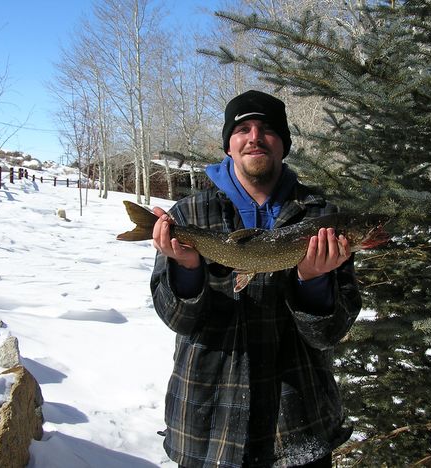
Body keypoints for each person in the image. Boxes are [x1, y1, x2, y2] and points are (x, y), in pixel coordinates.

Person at [150, 90, 362, 468]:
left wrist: (312, 280)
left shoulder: (324, 218)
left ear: (284, 144)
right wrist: (187, 270)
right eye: (243, 128)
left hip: (301, 420)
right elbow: (177, 320)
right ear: (229, 145)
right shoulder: (189, 214)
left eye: (267, 129)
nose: (254, 137)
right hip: (207, 425)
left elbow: (329, 333)